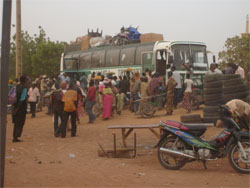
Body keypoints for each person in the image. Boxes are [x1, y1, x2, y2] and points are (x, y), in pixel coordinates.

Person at [12, 75, 28, 142]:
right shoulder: (24, 88)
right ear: (25, 80)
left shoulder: (16, 86)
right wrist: (18, 108)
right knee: (20, 122)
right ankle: (16, 137)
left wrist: (15, 108)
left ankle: (14, 136)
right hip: (21, 108)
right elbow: (22, 99)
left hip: (15, 106)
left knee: (16, 122)